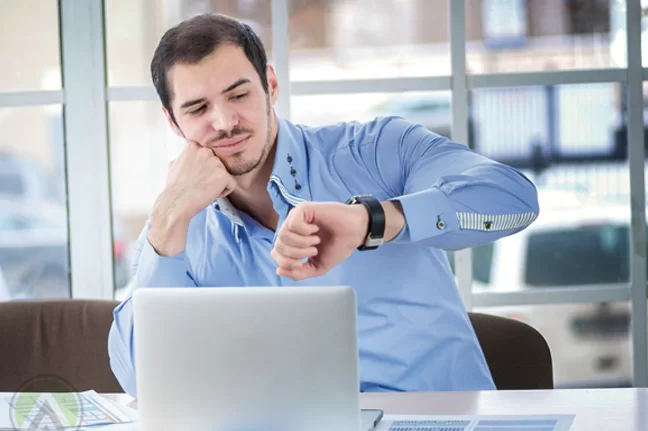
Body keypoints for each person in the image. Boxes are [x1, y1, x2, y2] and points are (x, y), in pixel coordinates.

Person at [108, 13, 539, 398]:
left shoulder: (375, 150)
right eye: (198, 108)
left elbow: (514, 200)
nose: (224, 122)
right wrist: (167, 218)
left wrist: (371, 219)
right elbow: (140, 381)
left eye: (238, 95)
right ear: (172, 120)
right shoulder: (180, 224)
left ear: (270, 86)